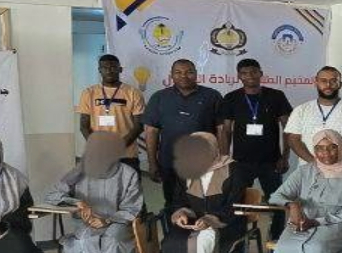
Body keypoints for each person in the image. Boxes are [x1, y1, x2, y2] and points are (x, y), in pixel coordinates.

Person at [44, 132, 144, 253]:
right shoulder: (79, 171)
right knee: (86, 240)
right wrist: (76, 202)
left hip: (118, 222)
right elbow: (52, 195)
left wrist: (108, 220)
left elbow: (132, 207)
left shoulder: (128, 173)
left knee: (111, 240)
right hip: (86, 223)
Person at [160, 132, 248, 253]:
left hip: (226, 222)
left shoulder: (234, 170)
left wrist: (210, 220)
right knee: (172, 241)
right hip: (193, 221)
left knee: (199, 242)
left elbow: (235, 205)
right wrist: (181, 214)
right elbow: (178, 201)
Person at [218, 57, 294, 241]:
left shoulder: (276, 96)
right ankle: (237, 241)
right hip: (240, 162)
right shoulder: (231, 98)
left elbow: (288, 128)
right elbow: (225, 131)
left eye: (253, 72)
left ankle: (276, 240)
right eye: (244, 73)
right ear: (239, 76)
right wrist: (224, 159)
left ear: (261, 73)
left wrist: (285, 157)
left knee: (277, 202)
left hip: (271, 161)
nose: (250, 76)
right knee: (236, 202)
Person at [141, 58, 223, 187]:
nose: (183, 76)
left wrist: (222, 160)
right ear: (171, 75)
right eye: (178, 72)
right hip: (169, 162)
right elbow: (151, 131)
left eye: (189, 72)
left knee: (201, 198)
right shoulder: (159, 97)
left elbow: (221, 130)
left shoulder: (212, 96)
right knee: (172, 198)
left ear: (196, 73)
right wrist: (152, 163)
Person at [282, 66, 342, 162]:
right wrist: (313, 163)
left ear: (340, 84)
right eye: (323, 81)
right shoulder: (301, 110)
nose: (328, 85)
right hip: (309, 167)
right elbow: (293, 140)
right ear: (316, 83)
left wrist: (334, 162)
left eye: (333, 81)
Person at [75, 54, 145, 168]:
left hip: (127, 154)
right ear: (99, 70)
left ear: (120, 69)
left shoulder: (133, 93)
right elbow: (84, 125)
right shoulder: (88, 93)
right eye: (105, 68)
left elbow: (139, 125)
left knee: (129, 180)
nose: (109, 71)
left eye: (113, 67)